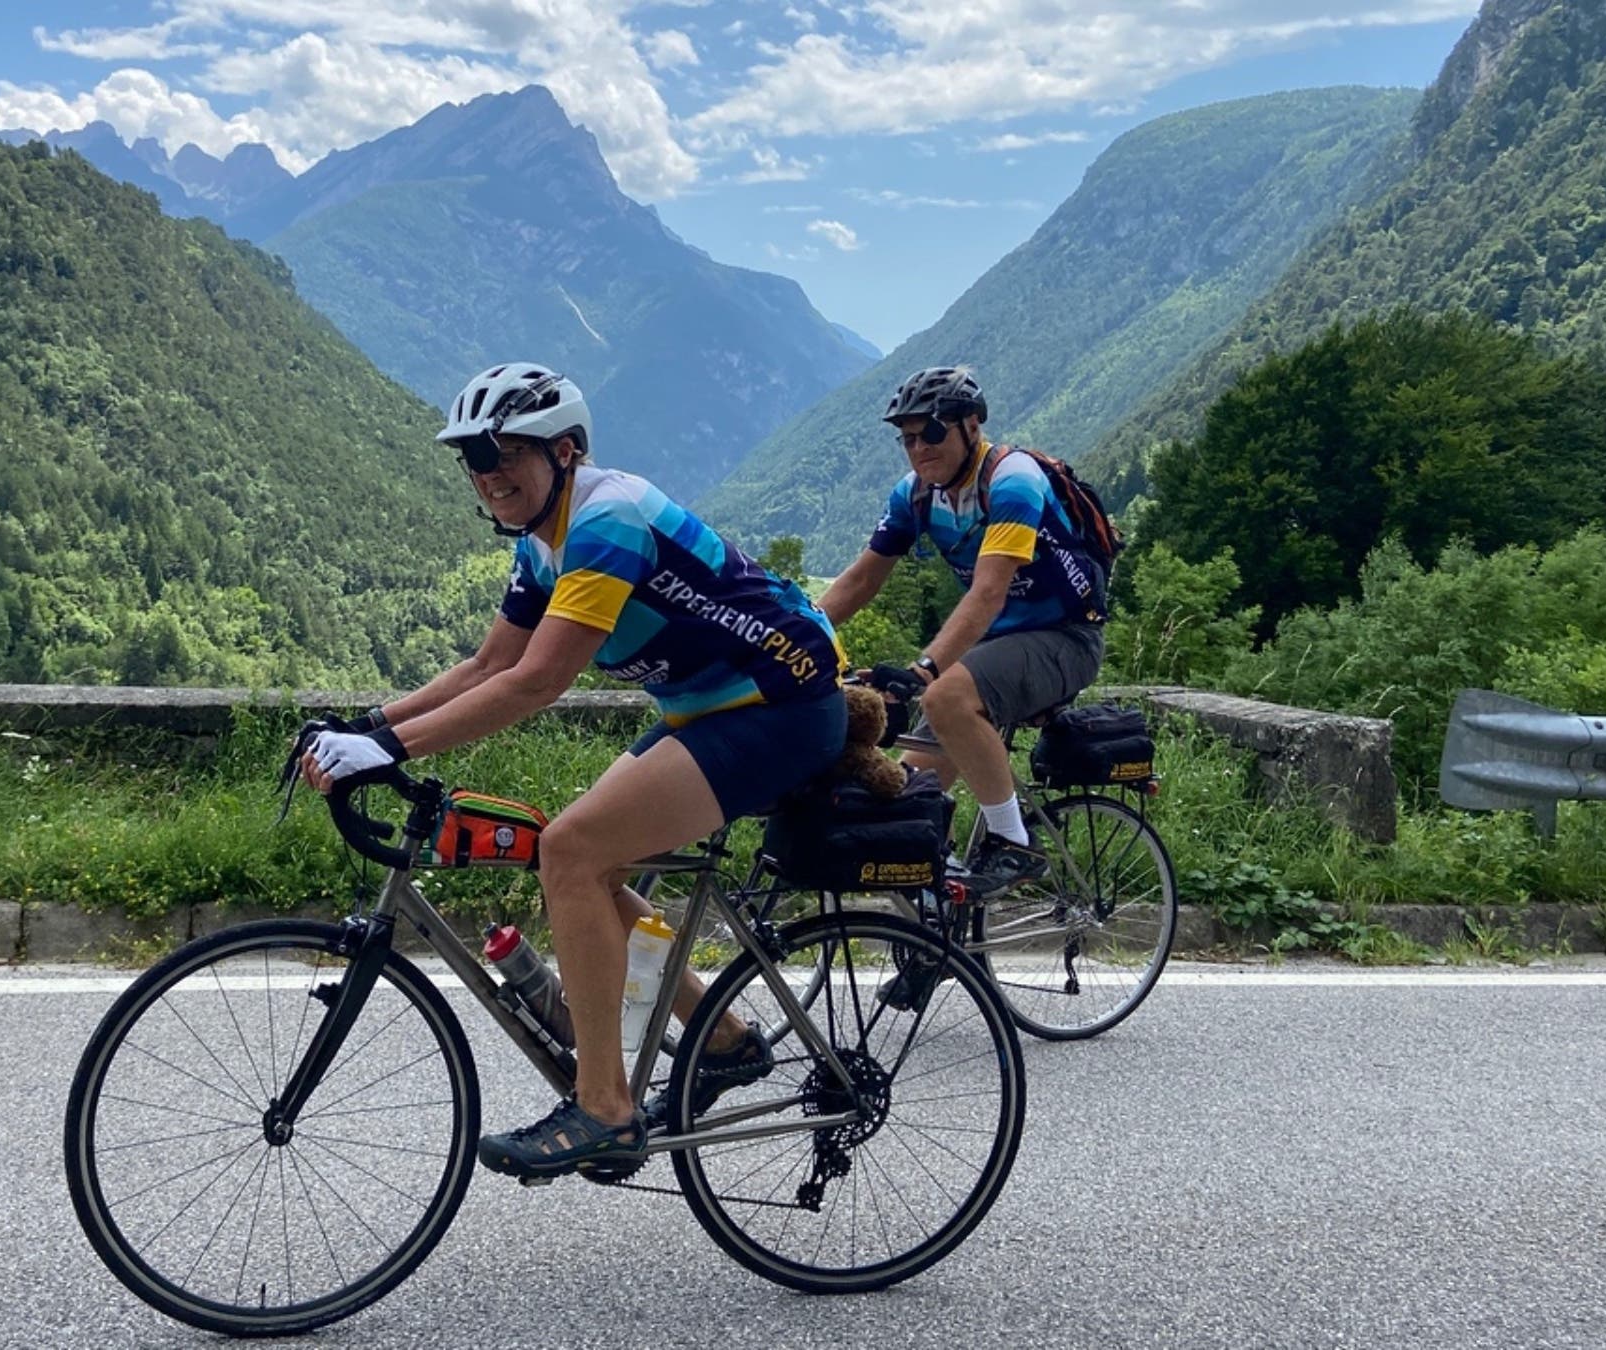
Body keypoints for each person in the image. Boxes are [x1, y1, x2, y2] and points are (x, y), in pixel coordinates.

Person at [301, 362, 847, 1181]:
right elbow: (490, 662)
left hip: (783, 707)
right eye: (472, 460)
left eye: (503, 454)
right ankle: (728, 1042)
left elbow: (536, 682)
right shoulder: (542, 539)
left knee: (570, 853)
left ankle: (605, 1109)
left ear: (565, 451)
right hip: (711, 708)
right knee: (578, 855)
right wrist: (371, 726)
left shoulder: (608, 519)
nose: (486, 475)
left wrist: (389, 752)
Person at [816, 365, 1107, 894]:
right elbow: (860, 580)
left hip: (1065, 637)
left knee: (945, 697)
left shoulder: (1013, 481)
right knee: (904, 810)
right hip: (995, 643)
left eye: (931, 431)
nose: (918, 448)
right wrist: (792, 636)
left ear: (971, 425)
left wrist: (924, 669)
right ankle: (932, 954)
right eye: (907, 438)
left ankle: (1015, 845)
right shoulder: (916, 495)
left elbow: (988, 592)